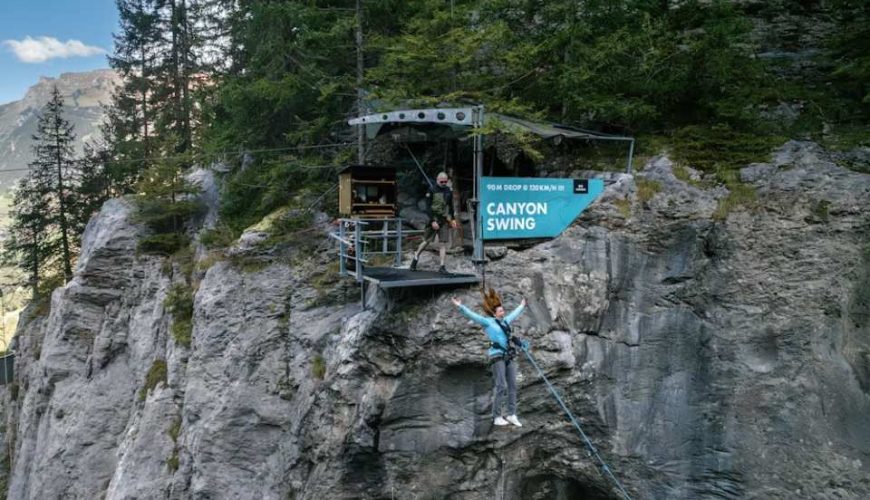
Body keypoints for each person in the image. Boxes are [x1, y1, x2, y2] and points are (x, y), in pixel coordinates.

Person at [451, 289, 528, 427]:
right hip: (496, 356)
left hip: (508, 356)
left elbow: (514, 315)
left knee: (513, 385)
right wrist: (460, 306)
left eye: (503, 311)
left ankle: (512, 414)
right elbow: (473, 316)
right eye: (500, 311)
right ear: (494, 313)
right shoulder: (488, 322)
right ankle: (497, 416)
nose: (503, 313)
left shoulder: (505, 322)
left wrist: (522, 306)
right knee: (501, 385)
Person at [410, 172, 458, 274]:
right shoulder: (431, 190)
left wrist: (453, 219)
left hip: (444, 220)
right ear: (437, 180)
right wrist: (432, 221)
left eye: (445, 181)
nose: (444, 183)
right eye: (442, 181)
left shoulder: (448, 191)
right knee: (426, 241)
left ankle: (442, 266)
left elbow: (451, 206)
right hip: (433, 219)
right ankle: (416, 256)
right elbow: (428, 208)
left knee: (443, 243)